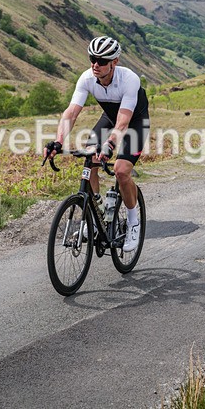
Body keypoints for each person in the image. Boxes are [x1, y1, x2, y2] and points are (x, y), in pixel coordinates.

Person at [43, 36, 149, 252]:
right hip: (110, 119)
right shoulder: (87, 78)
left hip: (134, 122)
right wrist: (58, 141)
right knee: (89, 159)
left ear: (115, 62)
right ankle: (98, 212)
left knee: (121, 171)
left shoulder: (129, 79)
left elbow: (124, 121)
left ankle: (133, 221)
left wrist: (110, 144)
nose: (95, 65)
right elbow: (71, 113)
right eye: (92, 59)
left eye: (101, 61)